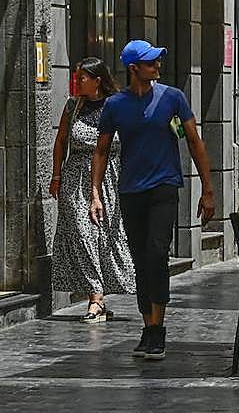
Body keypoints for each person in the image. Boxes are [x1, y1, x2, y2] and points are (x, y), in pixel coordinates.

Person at [90, 40, 213, 360]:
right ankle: (148, 327)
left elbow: (195, 143)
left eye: (158, 61)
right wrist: (95, 193)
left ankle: (159, 328)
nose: (158, 66)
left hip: (164, 187)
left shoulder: (173, 98)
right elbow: (101, 151)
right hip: (131, 191)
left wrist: (208, 189)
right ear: (134, 69)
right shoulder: (115, 105)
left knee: (157, 253)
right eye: (151, 62)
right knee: (141, 261)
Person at [50, 58, 135, 322]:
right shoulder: (73, 106)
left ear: (98, 80)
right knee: (82, 233)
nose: (78, 82)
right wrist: (56, 175)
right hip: (75, 178)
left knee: (104, 236)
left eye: (83, 77)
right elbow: (61, 140)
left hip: (110, 178)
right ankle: (96, 297)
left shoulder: (117, 105)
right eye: (76, 77)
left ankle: (99, 297)